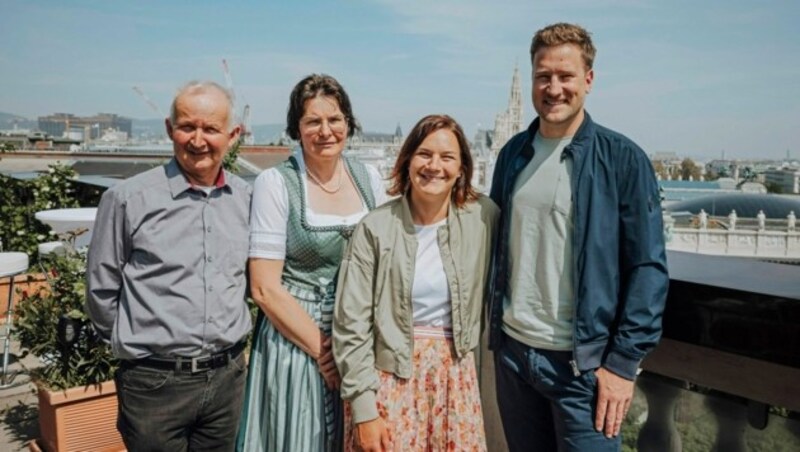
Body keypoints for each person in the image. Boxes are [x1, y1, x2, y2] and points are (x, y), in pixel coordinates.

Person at [487, 23, 669, 451]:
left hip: (583, 369)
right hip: (514, 356)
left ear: (588, 79)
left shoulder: (623, 159)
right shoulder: (513, 154)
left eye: (565, 76)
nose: (553, 88)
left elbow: (647, 268)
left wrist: (623, 365)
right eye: (543, 76)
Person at [86, 81, 252, 451]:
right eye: (187, 127)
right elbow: (101, 288)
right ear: (168, 128)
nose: (197, 140)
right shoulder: (128, 199)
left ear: (233, 134)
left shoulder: (246, 198)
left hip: (227, 381)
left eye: (210, 129)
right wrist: (139, 351)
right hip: (154, 385)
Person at [237, 74, 387, 451]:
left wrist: (352, 349)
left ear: (348, 123)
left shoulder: (369, 177)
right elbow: (265, 288)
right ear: (297, 128)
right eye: (312, 121)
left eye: (334, 119)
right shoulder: (276, 183)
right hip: (298, 337)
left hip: (357, 335)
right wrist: (325, 350)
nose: (326, 131)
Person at [334, 114, 498, 451]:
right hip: (388, 381)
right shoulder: (375, 228)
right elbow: (351, 324)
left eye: (447, 157)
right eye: (424, 154)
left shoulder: (483, 218)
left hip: (456, 383)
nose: (434, 166)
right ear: (407, 160)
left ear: (462, 169)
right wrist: (364, 411)